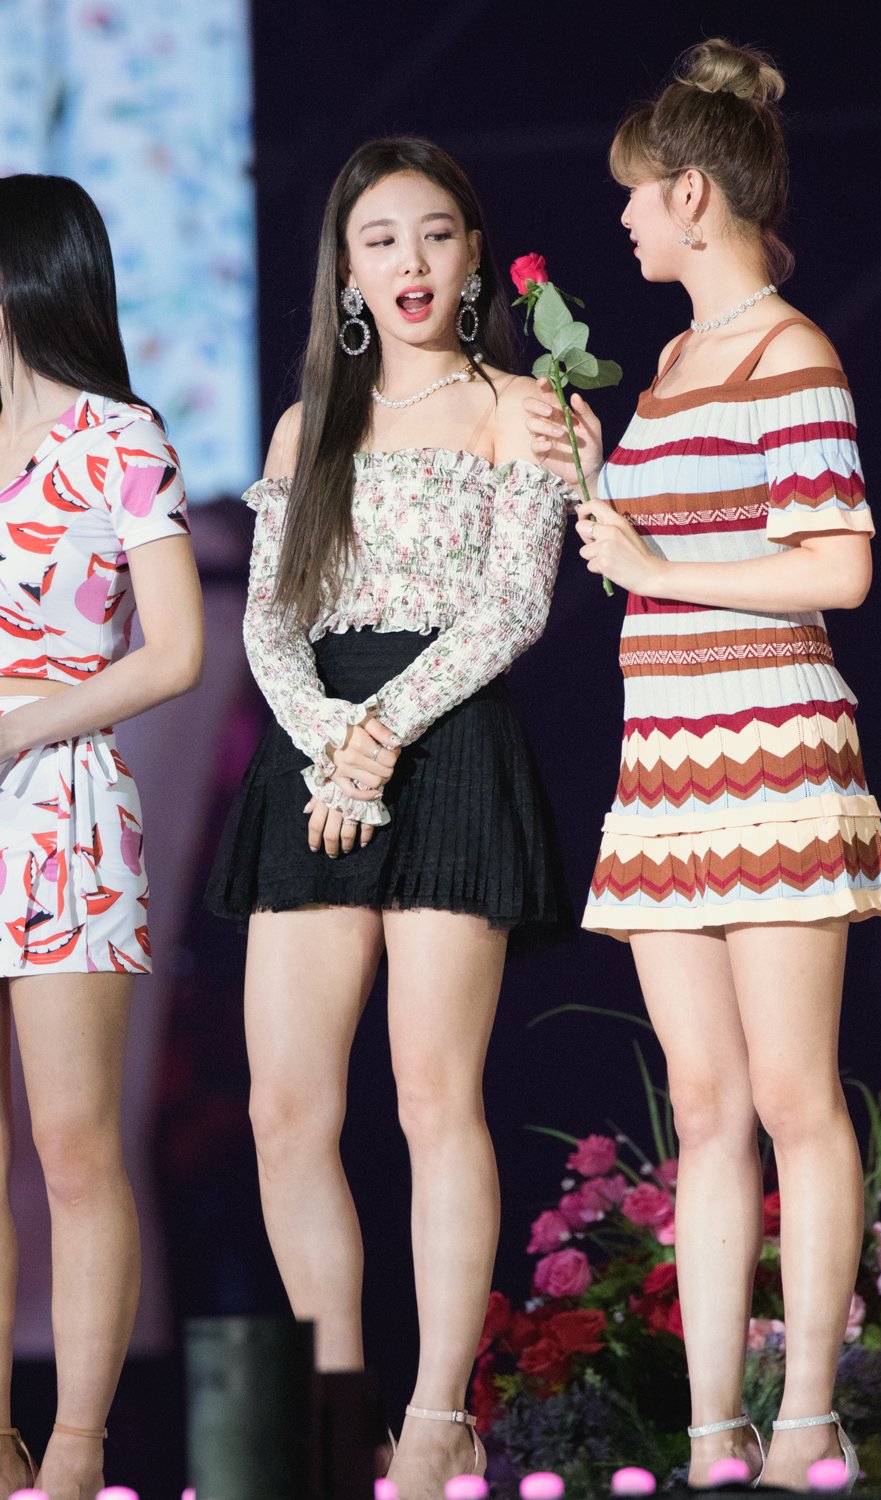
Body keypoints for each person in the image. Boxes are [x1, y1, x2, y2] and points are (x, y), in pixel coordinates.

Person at [525, 38, 881, 1494]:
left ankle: (806, 1417)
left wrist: (657, 562)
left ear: (692, 194)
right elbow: (656, 550)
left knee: (797, 1095)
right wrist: (592, 477)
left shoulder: (790, 355)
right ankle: (710, 1431)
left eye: (638, 194)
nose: (624, 219)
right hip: (667, 754)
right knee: (703, 1105)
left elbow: (837, 568)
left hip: (772, 750)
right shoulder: (677, 360)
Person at [206, 136, 567, 1500]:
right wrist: (329, 747)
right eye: (380, 241)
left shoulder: (521, 409)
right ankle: (332, 1419)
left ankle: (435, 1420)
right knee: (285, 1108)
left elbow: (515, 607)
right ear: (346, 273)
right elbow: (268, 618)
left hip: (448, 740)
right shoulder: (310, 422)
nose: (410, 263)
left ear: (471, 256)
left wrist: (381, 739)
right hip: (318, 756)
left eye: (434, 235)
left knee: (431, 1093)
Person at [0, 174, 203, 1500]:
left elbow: (175, 652)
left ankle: (76, 1450)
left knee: (73, 1148)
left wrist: (22, 724)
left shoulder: (119, 437)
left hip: (60, 806)